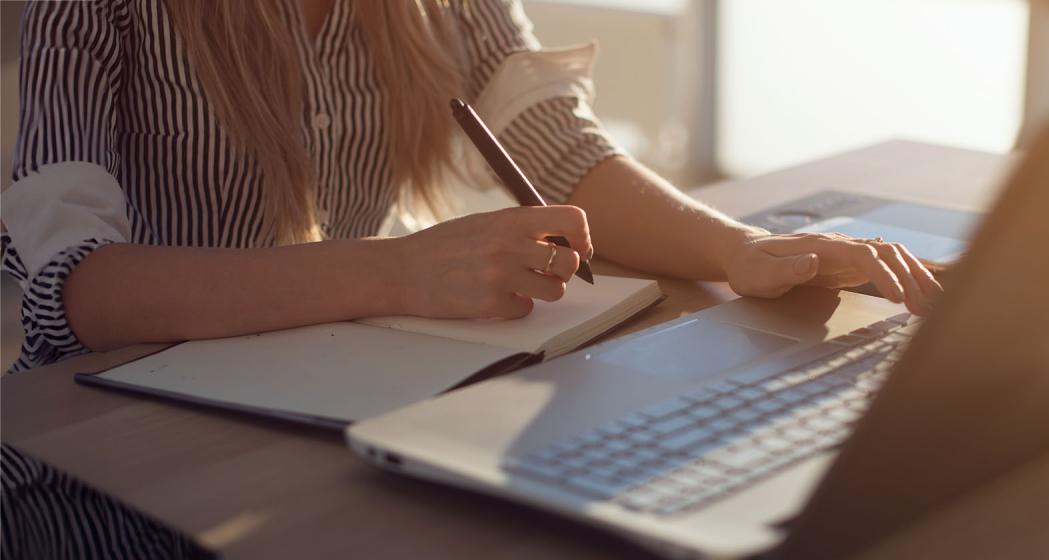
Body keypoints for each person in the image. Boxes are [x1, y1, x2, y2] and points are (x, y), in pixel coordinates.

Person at [0, 0, 941, 557]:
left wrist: (736, 250)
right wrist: (393, 271)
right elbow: (75, 289)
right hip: (102, 466)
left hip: (335, 409)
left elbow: (560, 152)